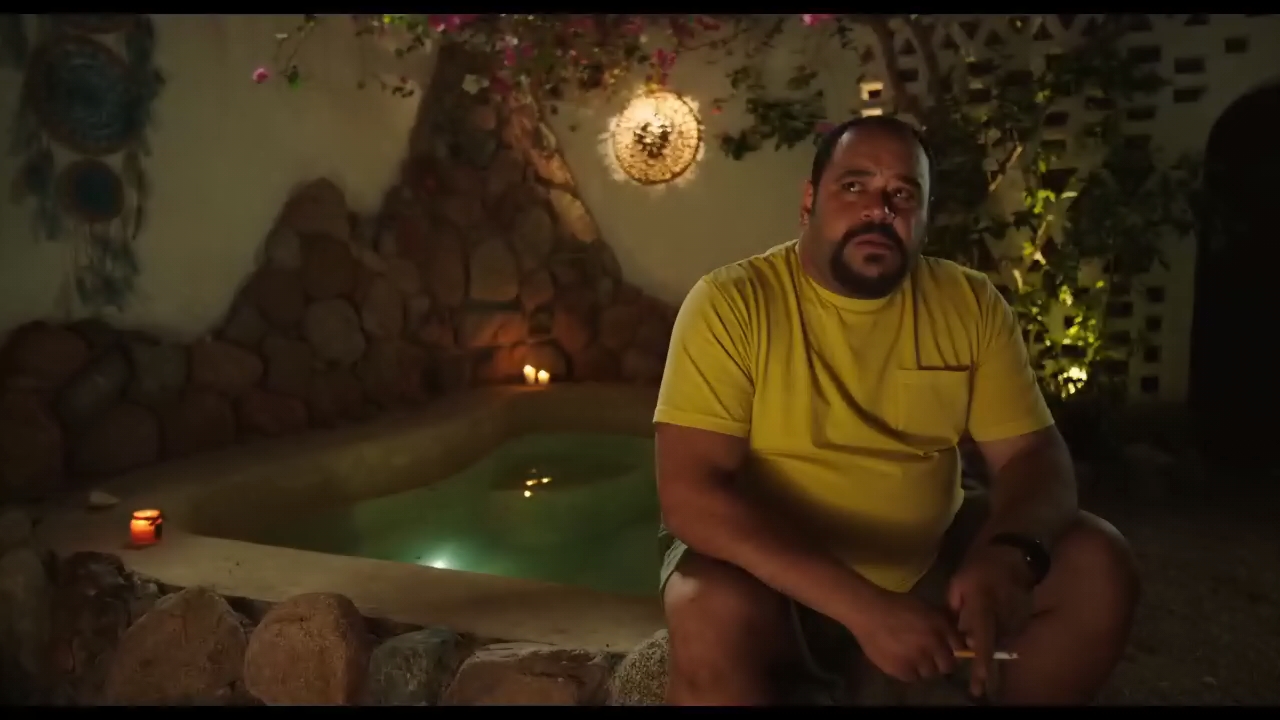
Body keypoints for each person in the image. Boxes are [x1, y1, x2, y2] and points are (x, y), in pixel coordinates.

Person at [654, 115, 1140, 706]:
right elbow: (691, 496)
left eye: (902, 194)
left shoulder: (968, 304)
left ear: (924, 217)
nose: (878, 210)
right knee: (704, 605)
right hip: (775, 579)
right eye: (853, 186)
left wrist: (1008, 555)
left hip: (927, 559)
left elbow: (1033, 456)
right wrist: (865, 609)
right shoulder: (733, 303)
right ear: (809, 202)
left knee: (1096, 563)